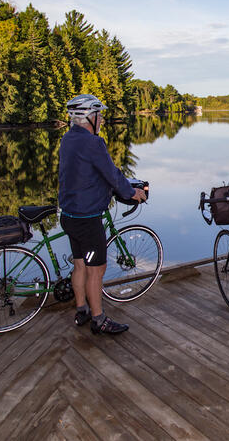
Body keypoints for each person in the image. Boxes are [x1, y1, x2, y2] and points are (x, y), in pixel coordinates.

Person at [58, 94, 147, 335]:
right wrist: (132, 192)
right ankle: (99, 319)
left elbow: (86, 172)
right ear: (89, 117)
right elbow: (112, 173)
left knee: (79, 264)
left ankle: (81, 310)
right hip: (87, 218)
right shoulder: (93, 143)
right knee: (95, 269)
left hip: (68, 215)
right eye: (100, 114)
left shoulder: (67, 139)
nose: (103, 119)